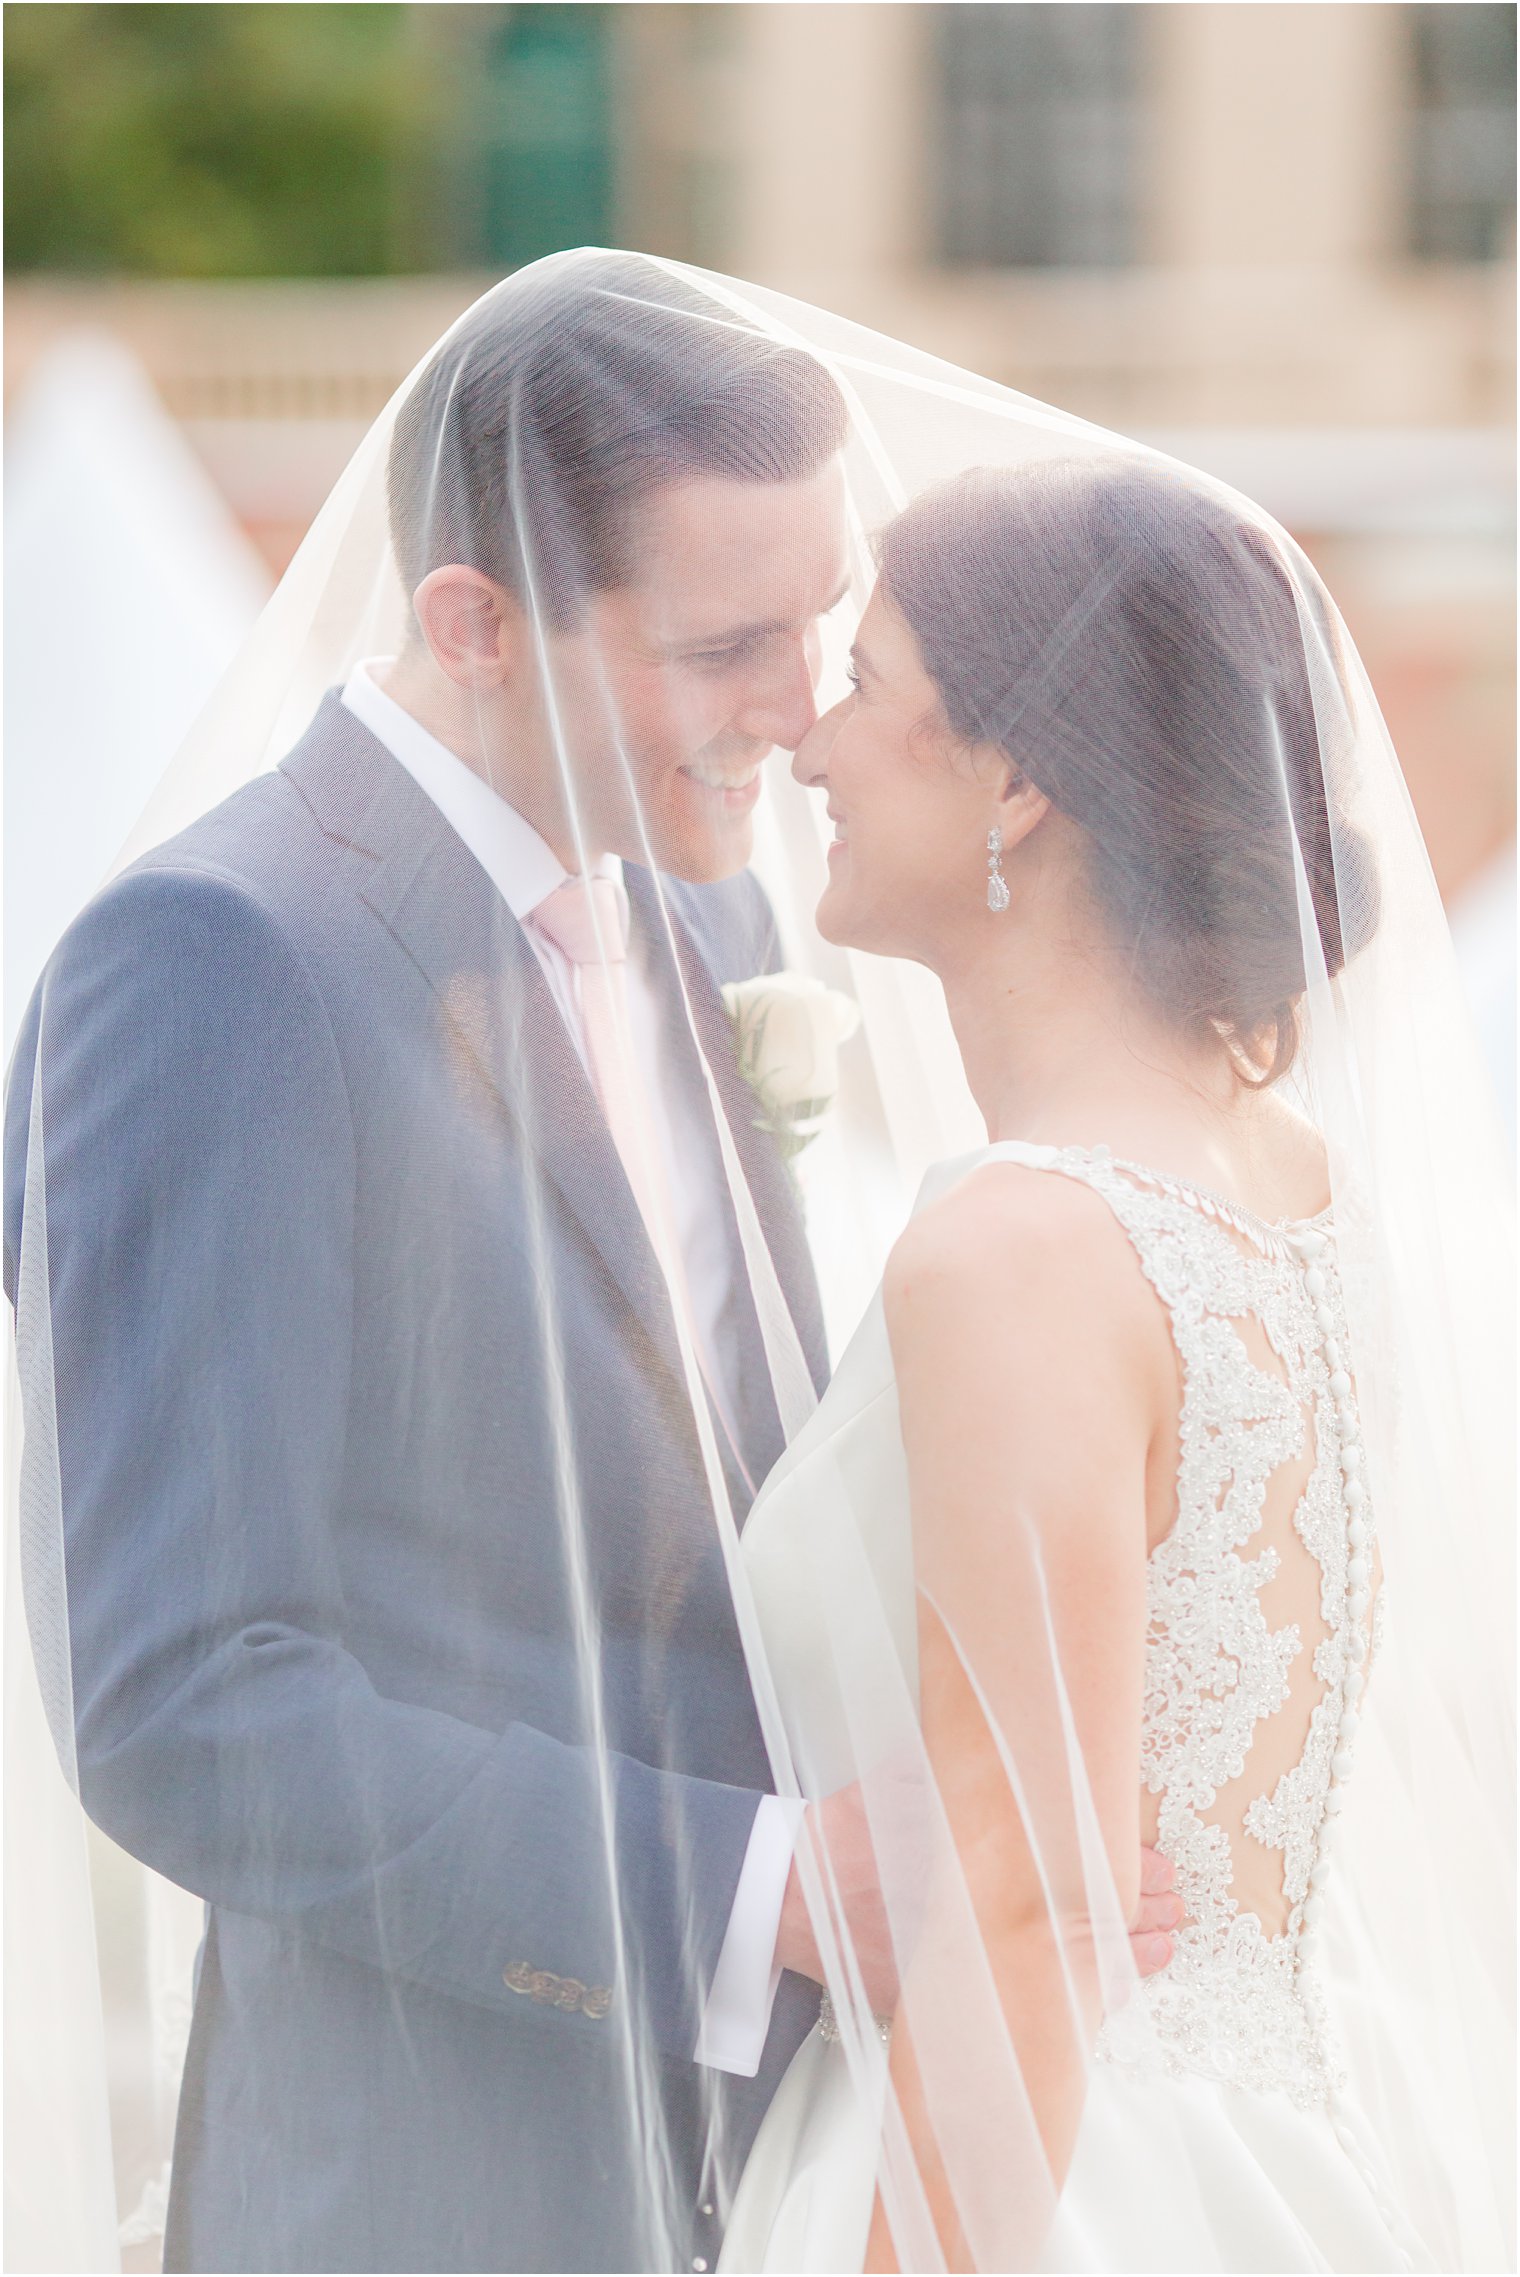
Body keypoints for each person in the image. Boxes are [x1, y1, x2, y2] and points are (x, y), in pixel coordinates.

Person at [3, 259, 1181, 2276]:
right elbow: (189, 1698)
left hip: (788, 2163)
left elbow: (733, 1537)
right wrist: (765, 1892)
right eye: (728, 644)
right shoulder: (212, 966)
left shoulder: (717, 929)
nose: (807, 709)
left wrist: (1000, 1799)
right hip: (426, 2196)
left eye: (821, 623)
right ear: (470, 624)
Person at [718, 460, 1513, 2272]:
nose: (812, 748)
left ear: (1017, 776)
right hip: (1279, 2149)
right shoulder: (1290, 1185)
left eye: (864, 684)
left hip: (1039, 2179)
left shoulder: (1019, 1247)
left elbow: (1034, 1900)